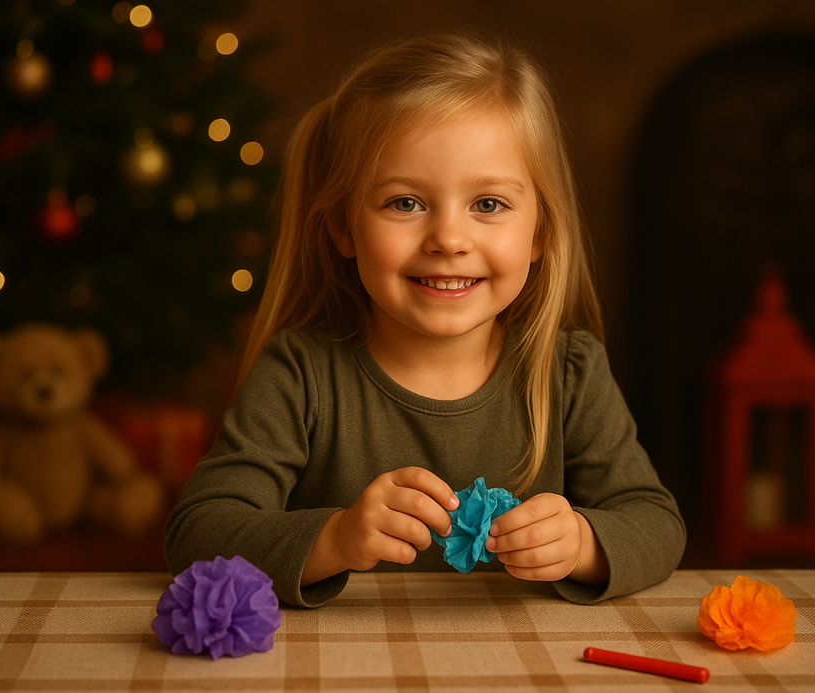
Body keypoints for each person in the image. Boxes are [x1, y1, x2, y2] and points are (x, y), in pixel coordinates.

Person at [164, 31, 685, 608]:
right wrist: (334, 538)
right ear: (344, 227)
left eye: (488, 204)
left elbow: (656, 522)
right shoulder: (299, 373)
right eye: (404, 203)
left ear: (538, 232)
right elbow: (198, 534)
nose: (448, 240)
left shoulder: (569, 372)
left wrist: (584, 544)